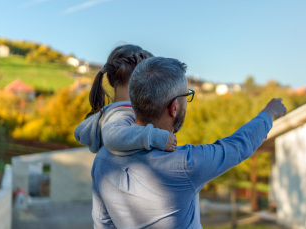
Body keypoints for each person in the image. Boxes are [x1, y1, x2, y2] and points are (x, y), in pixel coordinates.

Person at [90, 56, 286, 228]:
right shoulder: (185, 165)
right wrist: (269, 113)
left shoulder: (102, 159)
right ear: (174, 107)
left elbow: (103, 222)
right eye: (187, 96)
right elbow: (239, 145)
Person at [74, 45, 177, 156]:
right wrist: (155, 137)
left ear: (111, 79)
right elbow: (112, 137)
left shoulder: (114, 111)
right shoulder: (123, 112)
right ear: (144, 80)